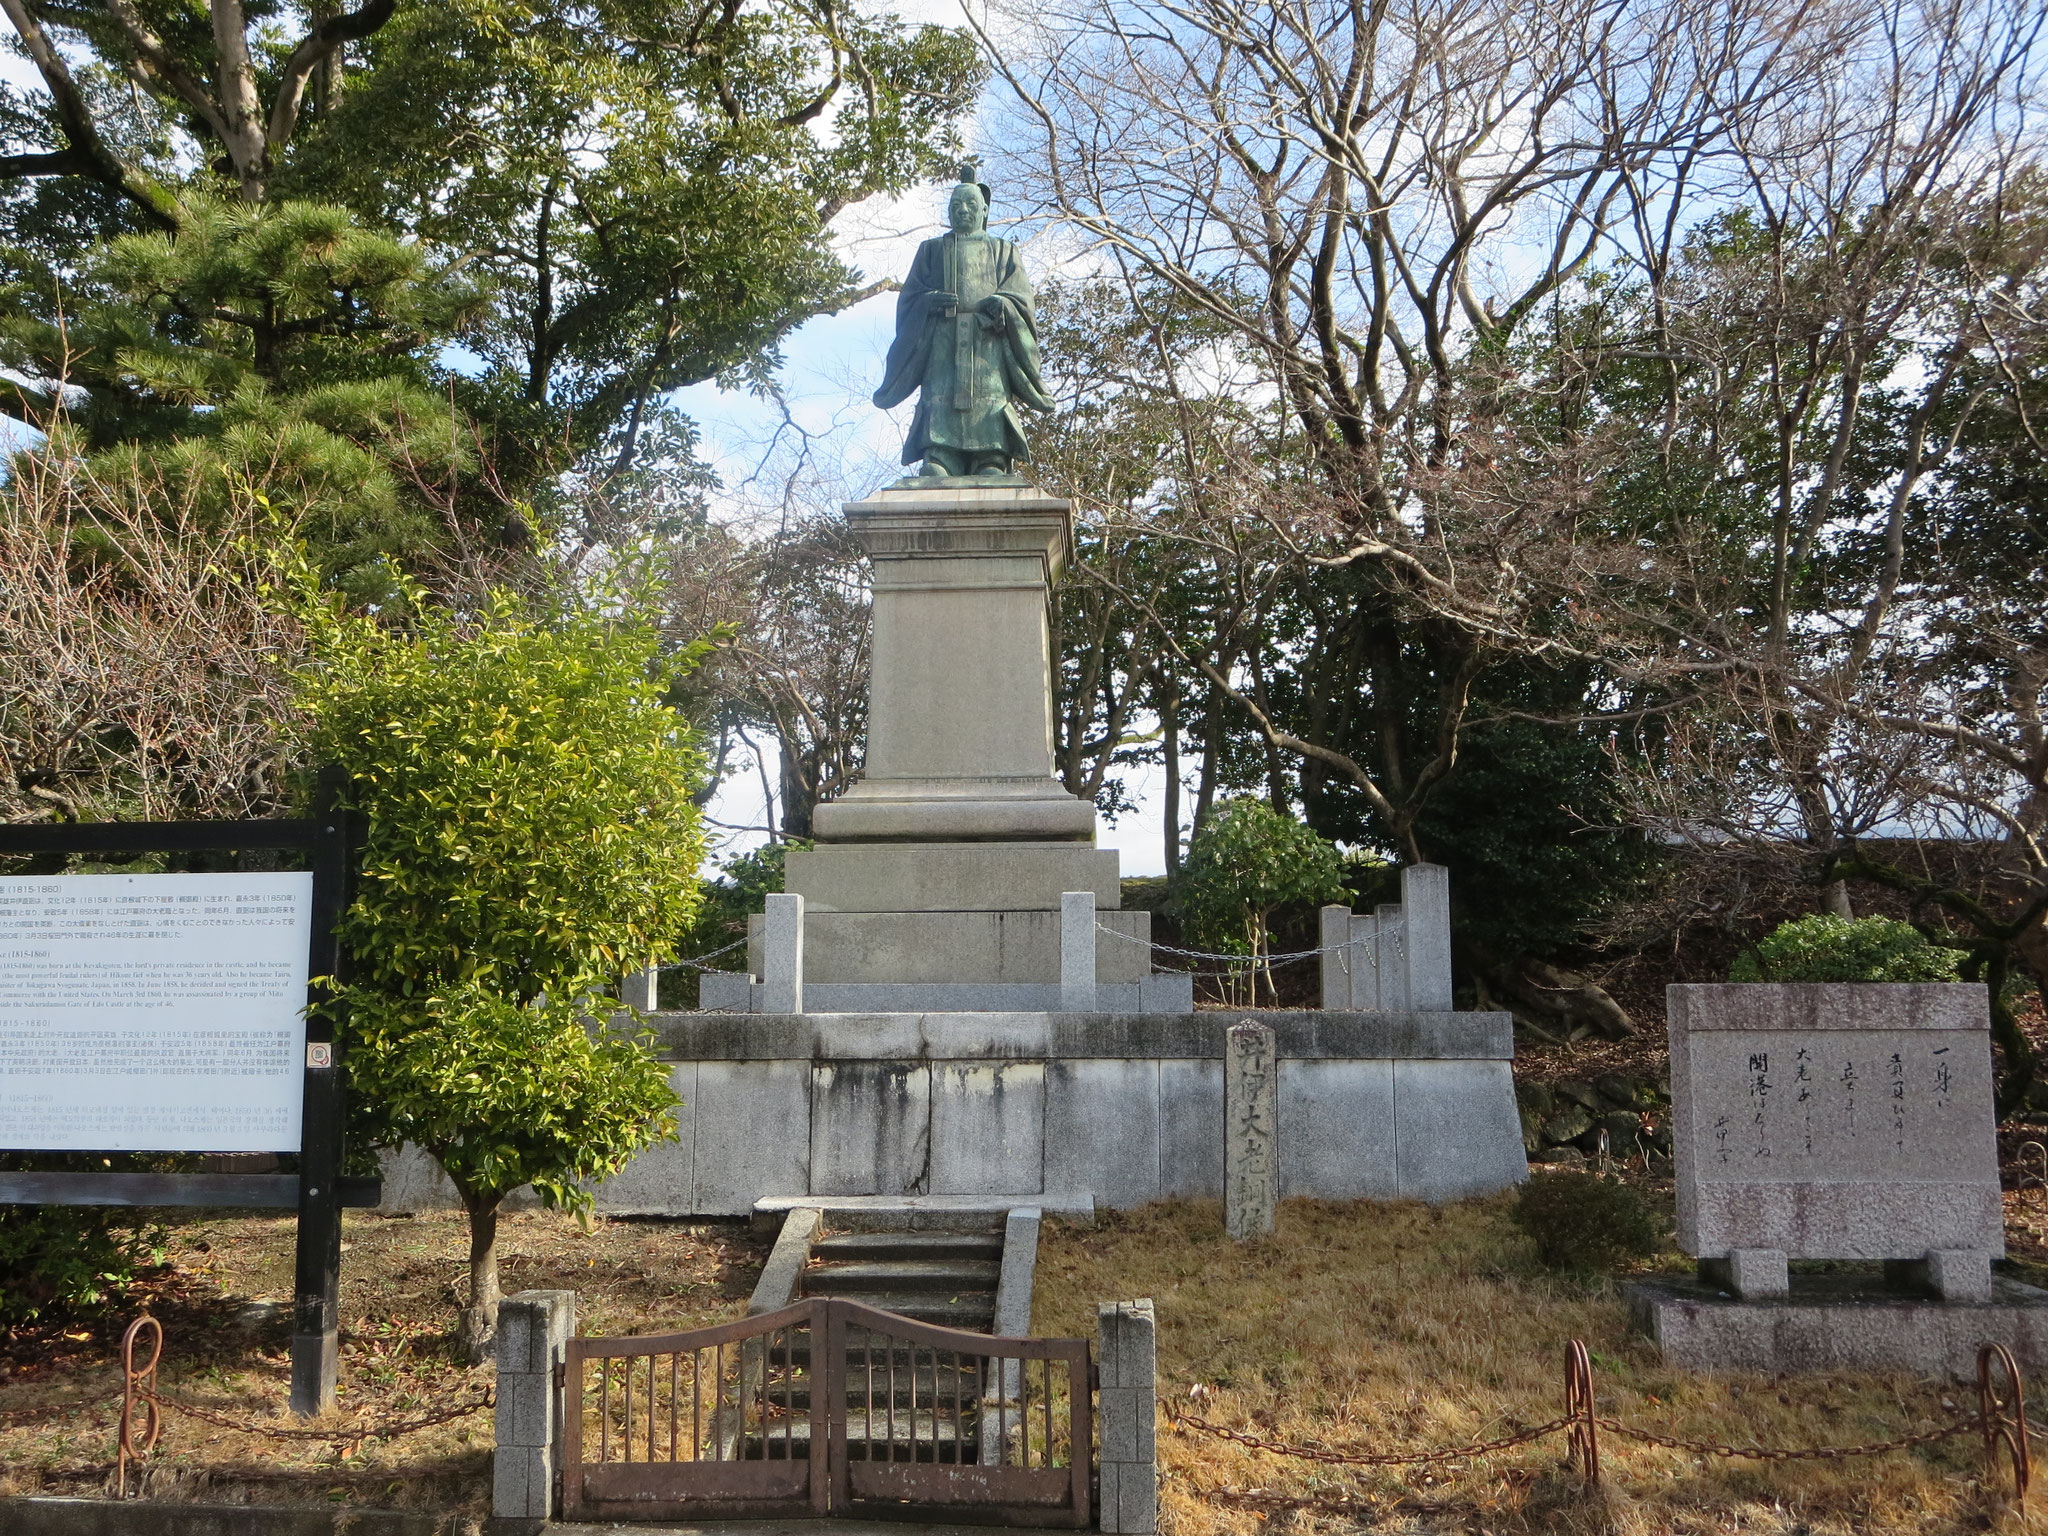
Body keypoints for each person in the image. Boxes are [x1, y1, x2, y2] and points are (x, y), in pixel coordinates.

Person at [872, 167, 1052, 479]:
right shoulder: (931, 250)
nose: (963, 210)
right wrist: (928, 302)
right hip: (941, 337)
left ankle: (991, 457)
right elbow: (910, 297)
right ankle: (940, 455)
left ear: (984, 211)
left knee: (990, 395)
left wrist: (1004, 305)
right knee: (939, 395)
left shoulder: (1003, 250)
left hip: (988, 339)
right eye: (956, 206)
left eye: (970, 205)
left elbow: (1021, 297)